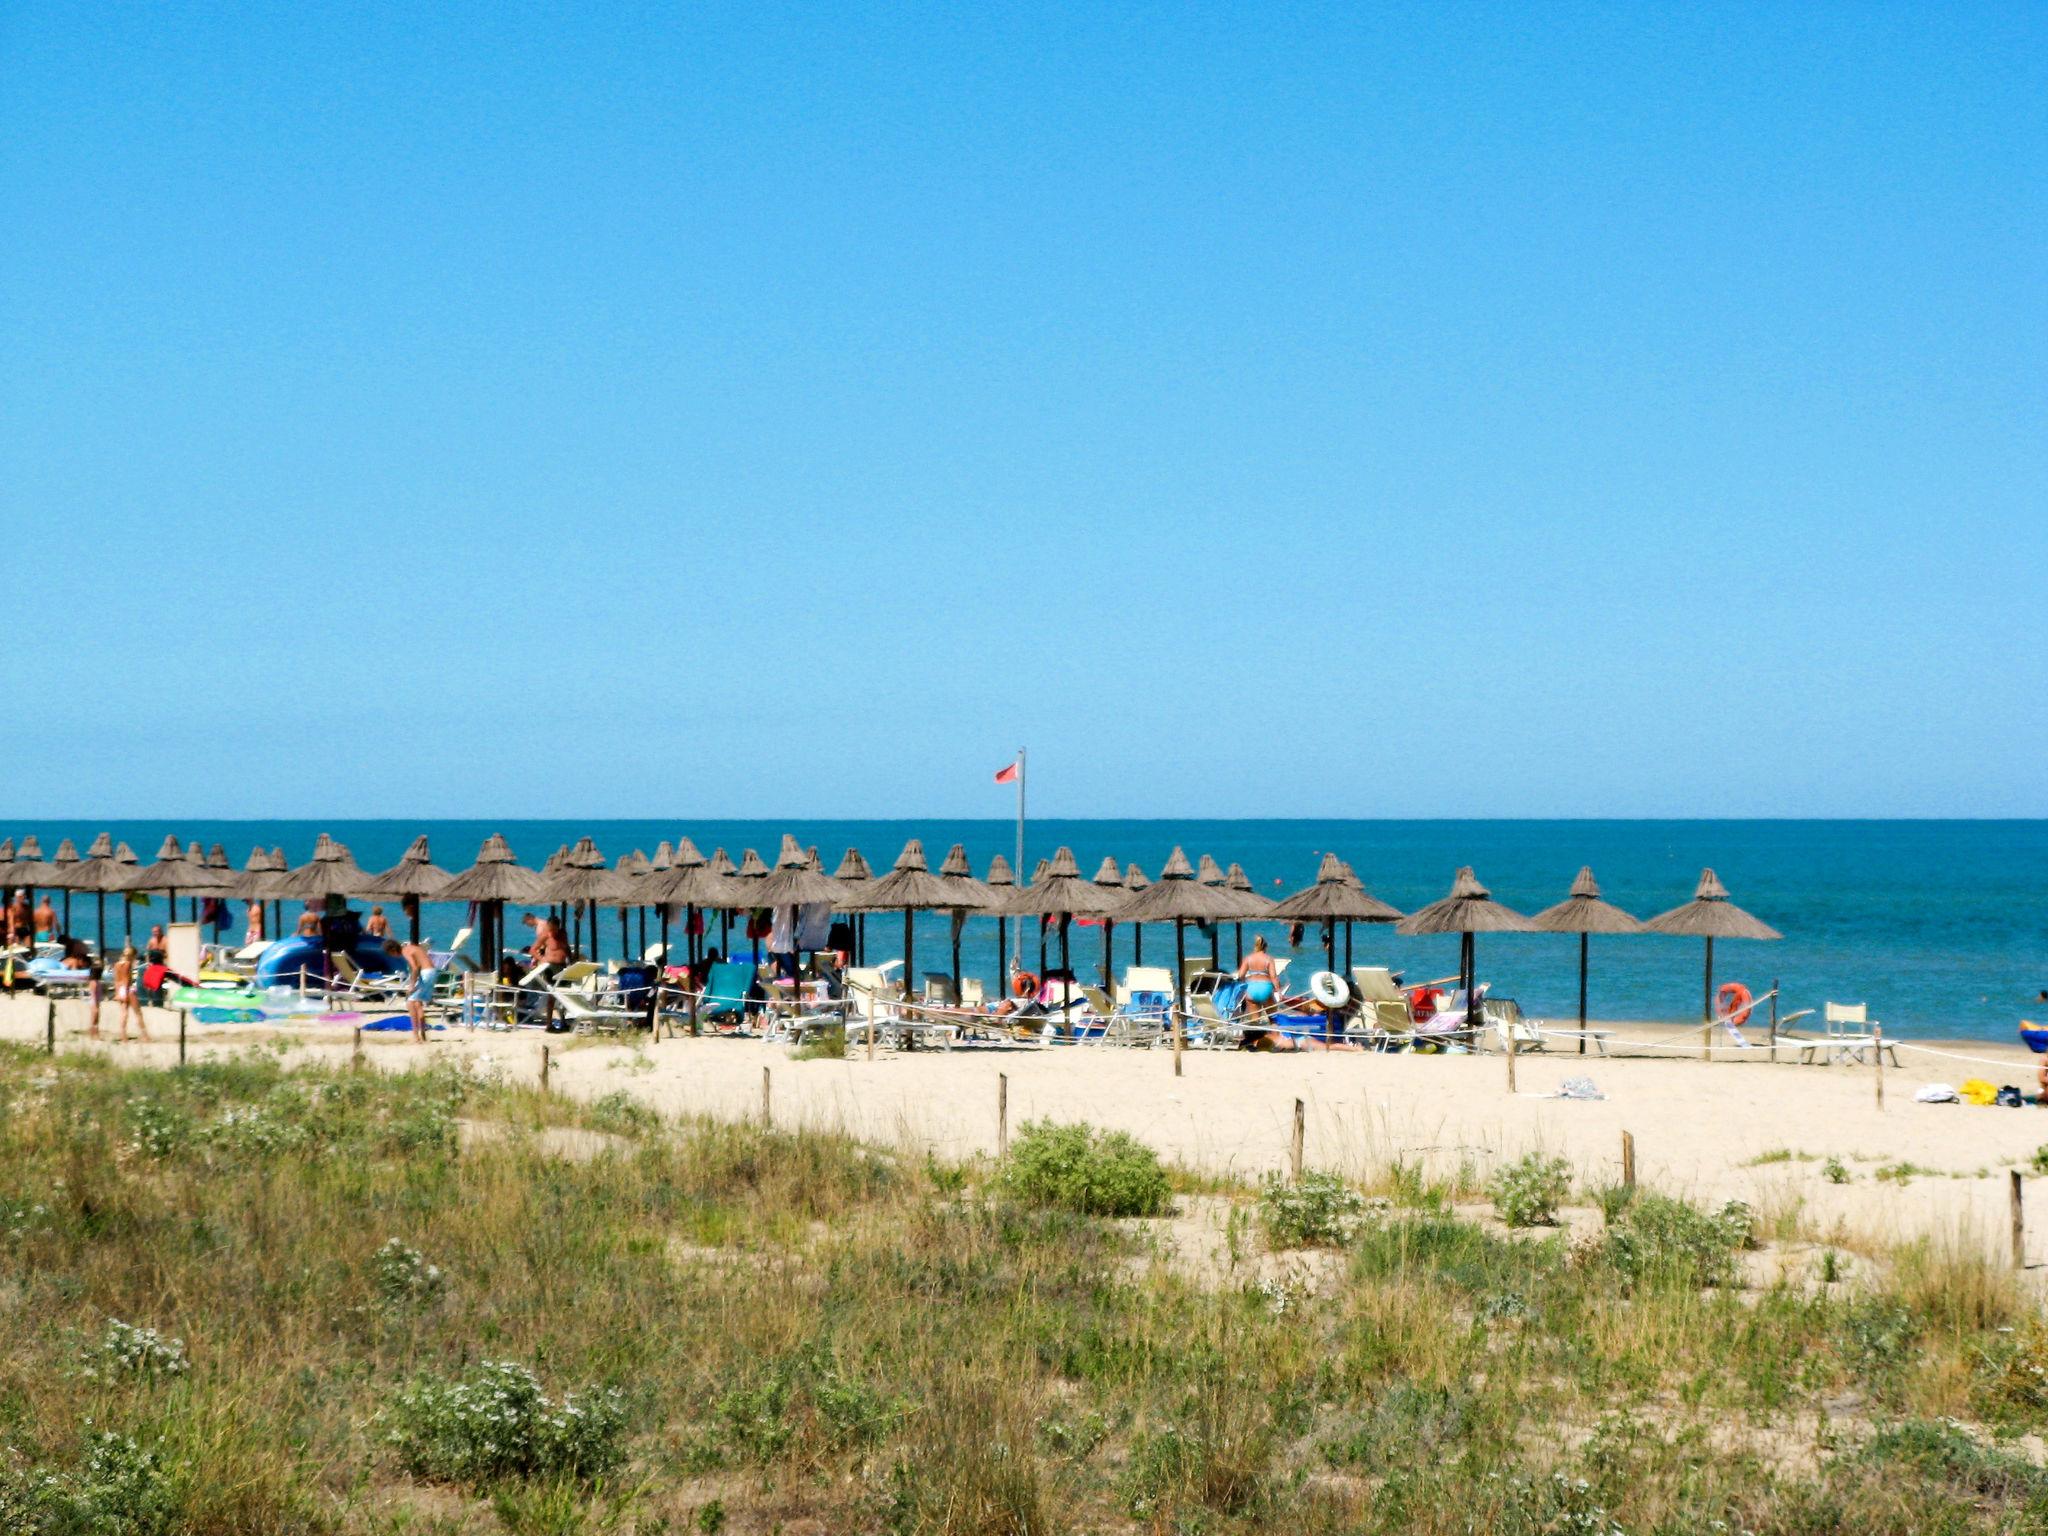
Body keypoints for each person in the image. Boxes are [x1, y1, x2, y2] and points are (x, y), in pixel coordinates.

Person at [386, 938, 436, 1043]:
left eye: (391, 954)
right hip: (432, 972)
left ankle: (415, 1036)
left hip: (425, 973)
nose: (393, 956)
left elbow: (414, 967)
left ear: (393, 950)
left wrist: (412, 985)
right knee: (418, 1003)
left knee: (410, 1001)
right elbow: (418, 964)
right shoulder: (411, 947)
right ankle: (423, 1034)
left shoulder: (405, 951)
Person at [1235, 934, 1282, 1020]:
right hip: (1265, 988)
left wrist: (1244, 986)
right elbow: (1274, 977)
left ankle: (1256, 1032)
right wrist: (1279, 991)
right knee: (1273, 1018)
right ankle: (1274, 1032)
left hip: (1251, 988)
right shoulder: (1268, 958)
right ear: (1265, 947)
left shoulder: (1248, 958)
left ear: (1255, 946)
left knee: (1255, 1020)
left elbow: (1240, 975)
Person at [112, 942, 149, 1043]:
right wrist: (127, 991)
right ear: (133, 955)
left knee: (124, 1013)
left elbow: (116, 980)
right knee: (138, 1013)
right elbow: (126, 979)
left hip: (120, 989)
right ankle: (145, 1035)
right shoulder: (128, 964)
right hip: (127, 989)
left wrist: (118, 993)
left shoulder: (117, 964)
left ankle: (123, 1035)